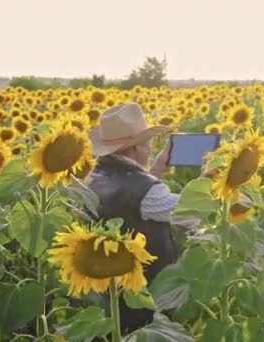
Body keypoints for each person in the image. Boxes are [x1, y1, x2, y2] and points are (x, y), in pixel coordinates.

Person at [86, 102, 181, 333]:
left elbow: (129, 195)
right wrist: (208, 178)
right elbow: (190, 212)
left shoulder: (93, 177)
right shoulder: (148, 192)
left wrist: (154, 170)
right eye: (148, 144)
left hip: (110, 289)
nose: (149, 149)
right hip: (145, 295)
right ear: (138, 148)